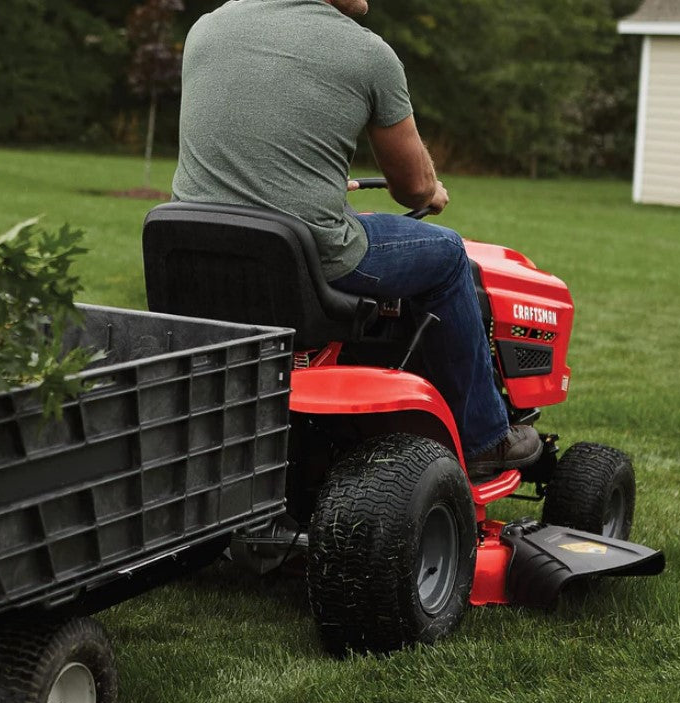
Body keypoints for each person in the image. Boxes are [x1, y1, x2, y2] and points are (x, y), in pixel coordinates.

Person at [171, 0, 542, 478]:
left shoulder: (208, 28)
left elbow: (251, 143)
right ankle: (486, 437)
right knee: (449, 255)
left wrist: (316, 182)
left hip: (195, 249)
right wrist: (432, 190)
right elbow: (413, 186)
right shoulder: (368, 54)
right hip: (304, 256)